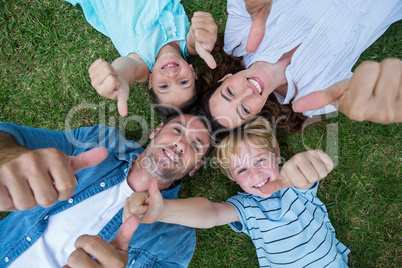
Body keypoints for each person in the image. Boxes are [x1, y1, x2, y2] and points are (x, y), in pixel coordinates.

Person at [124, 117, 350, 267]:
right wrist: (165, 210)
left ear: (278, 155)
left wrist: (307, 163)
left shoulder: (297, 188)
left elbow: (306, 174)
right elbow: (212, 213)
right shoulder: (247, 207)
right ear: (233, 178)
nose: (255, 174)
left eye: (260, 160)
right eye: (242, 169)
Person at [0, 112, 211, 267]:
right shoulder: (100, 141)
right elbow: (12, 135)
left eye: (195, 146)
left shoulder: (176, 238)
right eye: (177, 131)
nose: (180, 144)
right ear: (156, 131)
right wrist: (7, 155)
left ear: (196, 167)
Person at [199, 0, 401, 131]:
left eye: (230, 92)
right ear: (257, 113)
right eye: (243, 109)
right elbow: (356, 93)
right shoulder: (313, 97)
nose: (247, 93)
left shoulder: (238, 41)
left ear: (225, 78)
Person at [64, 0, 217, 117]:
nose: (172, 76)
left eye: (163, 86)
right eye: (183, 82)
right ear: (193, 72)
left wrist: (119, 75)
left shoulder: (143, 65)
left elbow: (128, 68)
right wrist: (201, 34)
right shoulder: (189, 44)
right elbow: (194, 38)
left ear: (150, 82)